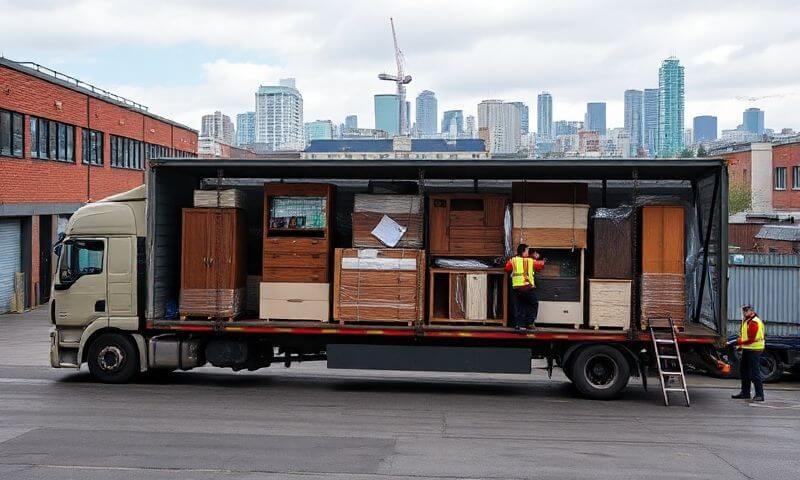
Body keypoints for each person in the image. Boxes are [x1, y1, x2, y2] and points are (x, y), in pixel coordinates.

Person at [505, 244, 545, 333]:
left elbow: (507, 268)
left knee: (520, 306)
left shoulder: (513, 260)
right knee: (533, 303)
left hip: (516, 288)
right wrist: (540, 259)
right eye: (527, 250)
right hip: (527, 287)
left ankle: (520, 326)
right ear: (523, 251)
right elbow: (540, 266)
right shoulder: (531, 261)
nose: (528, 252)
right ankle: (530, 323)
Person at [730, 304, 766, 402]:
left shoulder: (754, 322)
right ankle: (745, 393)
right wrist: (741, 345)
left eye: (746, 311)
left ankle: (759, 395)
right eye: (743, 311)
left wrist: (739, 342)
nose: (744, 313)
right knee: (744, 371)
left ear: (751, 311)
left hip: (754, 349)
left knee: (755, 372)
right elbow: (745, 336)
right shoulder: (747, 321)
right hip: (748, 348)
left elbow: (751, 339)